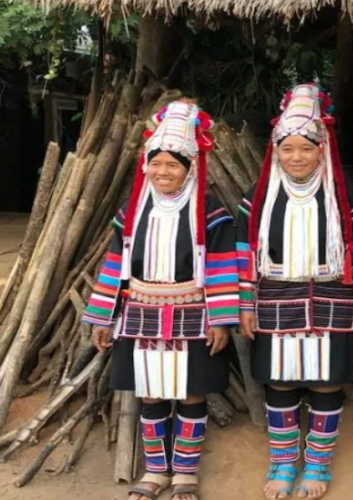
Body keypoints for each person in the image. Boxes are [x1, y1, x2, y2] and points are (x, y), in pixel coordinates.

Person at [86, 101, 238, 500]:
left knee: (191, 391)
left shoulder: (211, 213)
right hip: (140, 312)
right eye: (156, 164)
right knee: (150, 392)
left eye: (173, 164)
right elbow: (116, 264)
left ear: (190, 166)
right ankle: (156, 470)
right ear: (145, 165)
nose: (163, 172)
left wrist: (221, 319)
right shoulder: (131, 211)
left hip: (192, 313)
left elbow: (223, 268)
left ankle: (185, 473)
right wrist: (103, 316)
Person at [236, 83, 353, 500]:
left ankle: (317, 463)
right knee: (280, 383)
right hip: (276, 300)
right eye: (288, 149)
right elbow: (244, 253)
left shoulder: (345, 196)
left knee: (326, 383)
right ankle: (282, 461)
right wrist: (245, 305)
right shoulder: (258, 199)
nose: (297, 157)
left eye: (306, 149)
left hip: (333, 300)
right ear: (275, 150)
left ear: (322, 148)